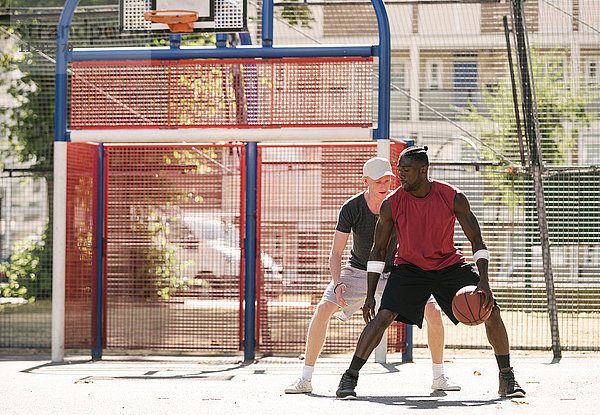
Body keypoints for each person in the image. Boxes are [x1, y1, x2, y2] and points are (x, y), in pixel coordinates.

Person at [335, 146, 526, 400]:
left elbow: (476, 240)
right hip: (410, 269)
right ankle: (349, 378)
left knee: (491, 309)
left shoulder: (452, 196)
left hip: (449, 265)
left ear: (424, 170)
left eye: (406, 171)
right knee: (383, 316)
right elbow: (378, 250)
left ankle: (506, 377)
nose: (400, 176)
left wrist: (484, 280)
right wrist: (370, 295)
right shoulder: (392, 203)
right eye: (399, 170)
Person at [285, 156, 460, 394]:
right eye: (378, 181)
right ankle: (305, 378)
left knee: (434, 312)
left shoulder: (402, 201)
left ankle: (439, 376)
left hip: (398, 270)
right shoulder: (352, 208)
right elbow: (336, 252)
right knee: (322, 310)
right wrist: (337, 283)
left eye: (388, 179)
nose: (384, 185)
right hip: (358, 270)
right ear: (365, 181)